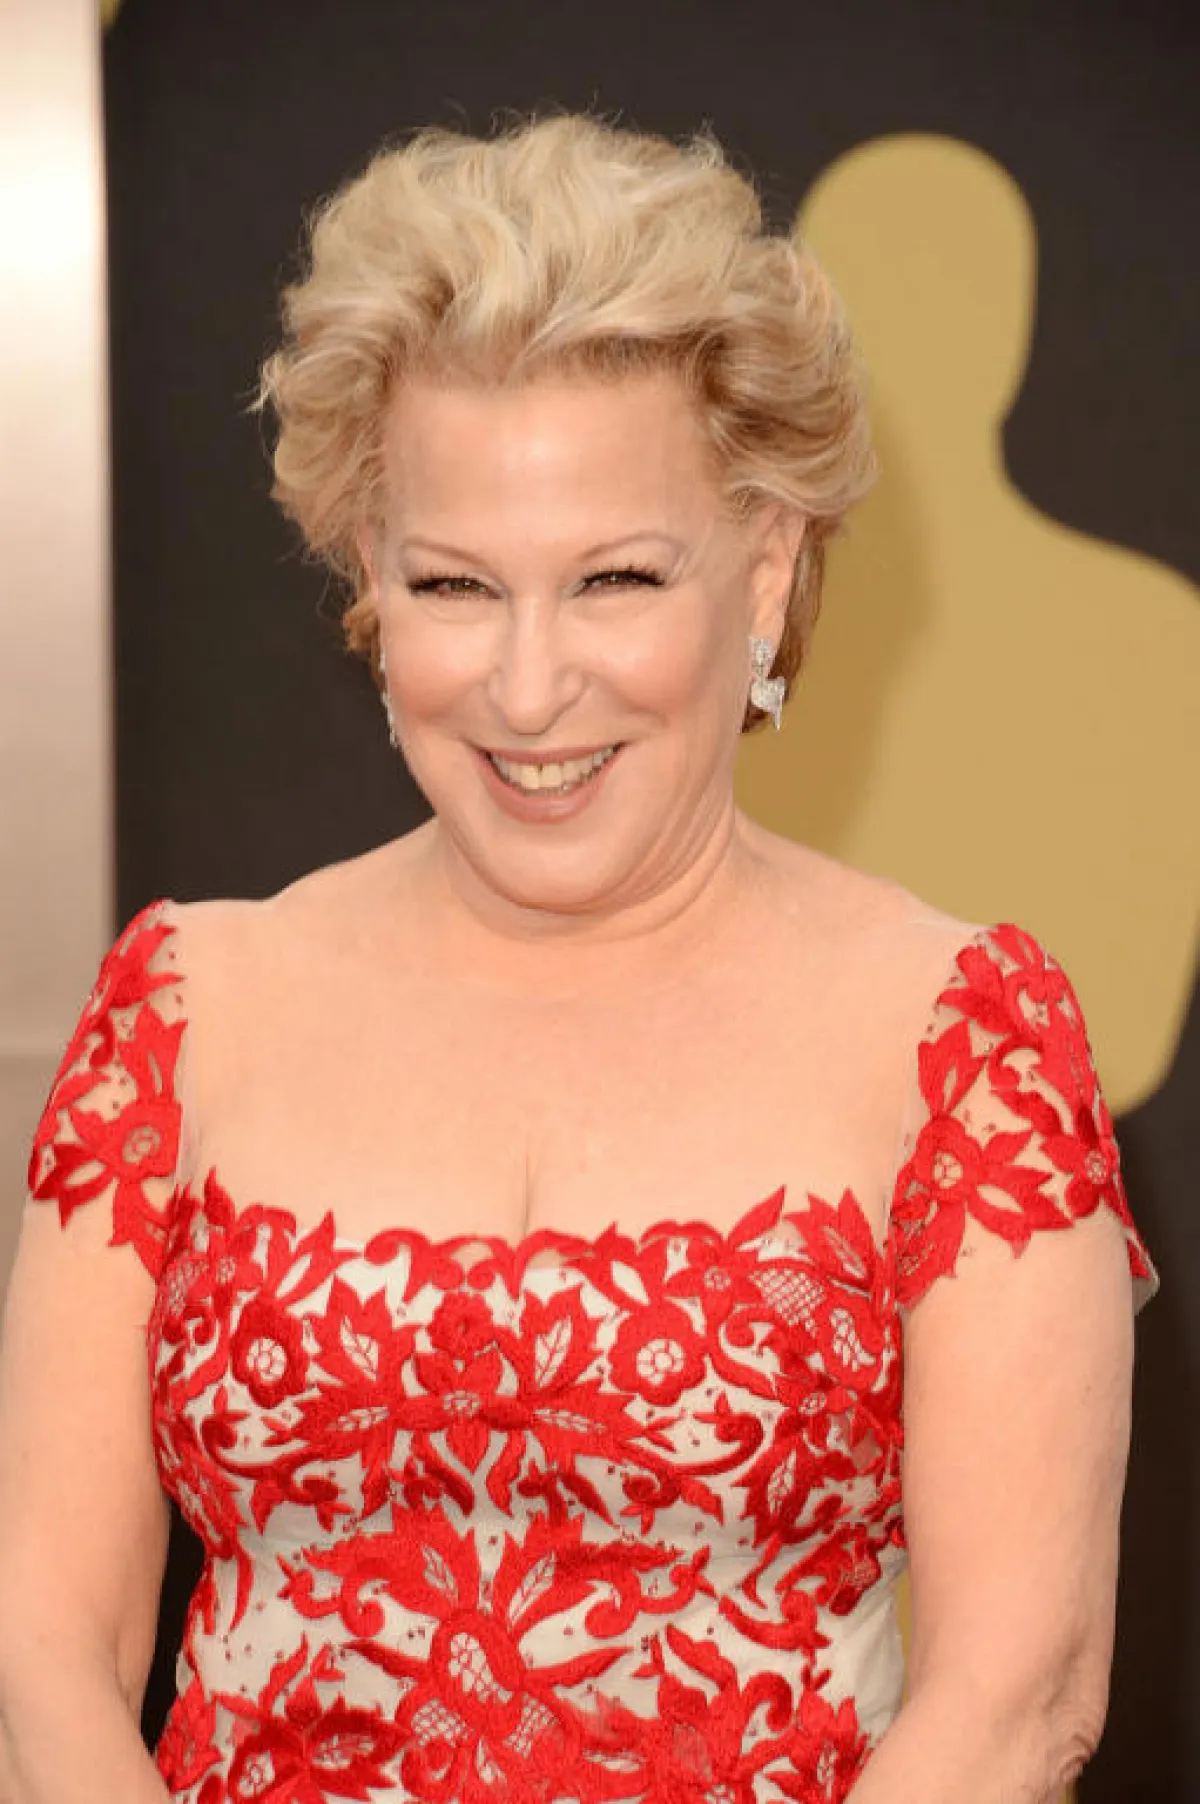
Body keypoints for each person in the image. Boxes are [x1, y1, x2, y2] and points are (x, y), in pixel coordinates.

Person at [0, 113, 1158, 1804]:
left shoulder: (961, 1041)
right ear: (368, 579)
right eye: (455, 585)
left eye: (614, 578)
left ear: (764, 571)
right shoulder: (183, 1010)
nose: (530, 689)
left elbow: (1019, 1696)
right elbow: (44, 1656)